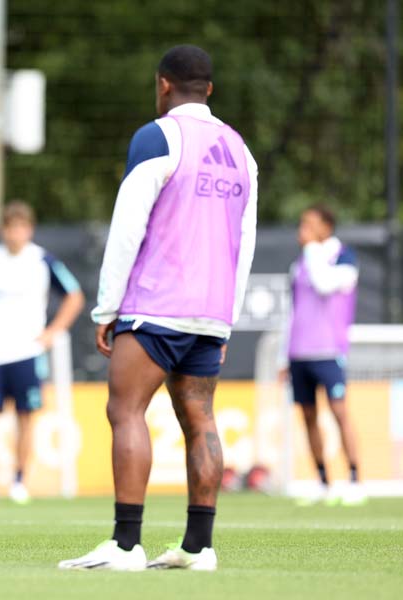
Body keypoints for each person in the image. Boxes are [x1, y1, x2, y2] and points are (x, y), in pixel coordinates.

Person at [58, 45, 258, 572]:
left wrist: (107, 308)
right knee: (200, 419)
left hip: (157, 305)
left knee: (125, 411)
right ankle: (199, 548)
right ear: (209, 89)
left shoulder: (158, 135)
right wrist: (227, 314)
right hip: (212, 311)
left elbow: (128, 228)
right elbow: (247, 239)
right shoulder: (241, 150)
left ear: (163, 84)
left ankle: (125, 545)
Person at [0, 202, 85, 506]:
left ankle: (19, 481)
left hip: (28, 352)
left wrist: (54, 331)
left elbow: (74, 295)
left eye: (22, 227)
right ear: (3, 230)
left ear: (29, 229)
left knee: (26, 418)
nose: (16, 233)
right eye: (11, 227)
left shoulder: (43, 261)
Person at [279, 205, 364, 506]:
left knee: (340, 413)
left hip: (329, 351)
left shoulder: (343, 257)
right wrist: (282, 356)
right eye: (302, 223)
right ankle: (323, 481)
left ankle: (354, 479)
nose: (303, 230)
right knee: (308, 417)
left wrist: (314, 251)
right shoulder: (299, 264)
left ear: (326, 227)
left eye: (310, 224)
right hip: (299, 353)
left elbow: (325, 285)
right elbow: (292, 312)